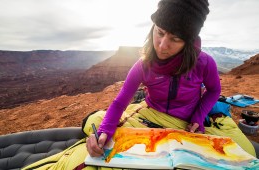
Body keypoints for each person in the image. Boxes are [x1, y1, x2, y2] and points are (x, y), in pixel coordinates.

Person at [86, 0, 256, 158]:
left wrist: (198, 117)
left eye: (175, 39)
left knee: (245, 151)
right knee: (94, 122)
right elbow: (120, 102)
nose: (162, 45)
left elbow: (214, 90)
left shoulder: (204, 63)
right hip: (151, 115)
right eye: (159, 32)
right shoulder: (143, 65)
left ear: (188, 42)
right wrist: (105, 131)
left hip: (188, 122)